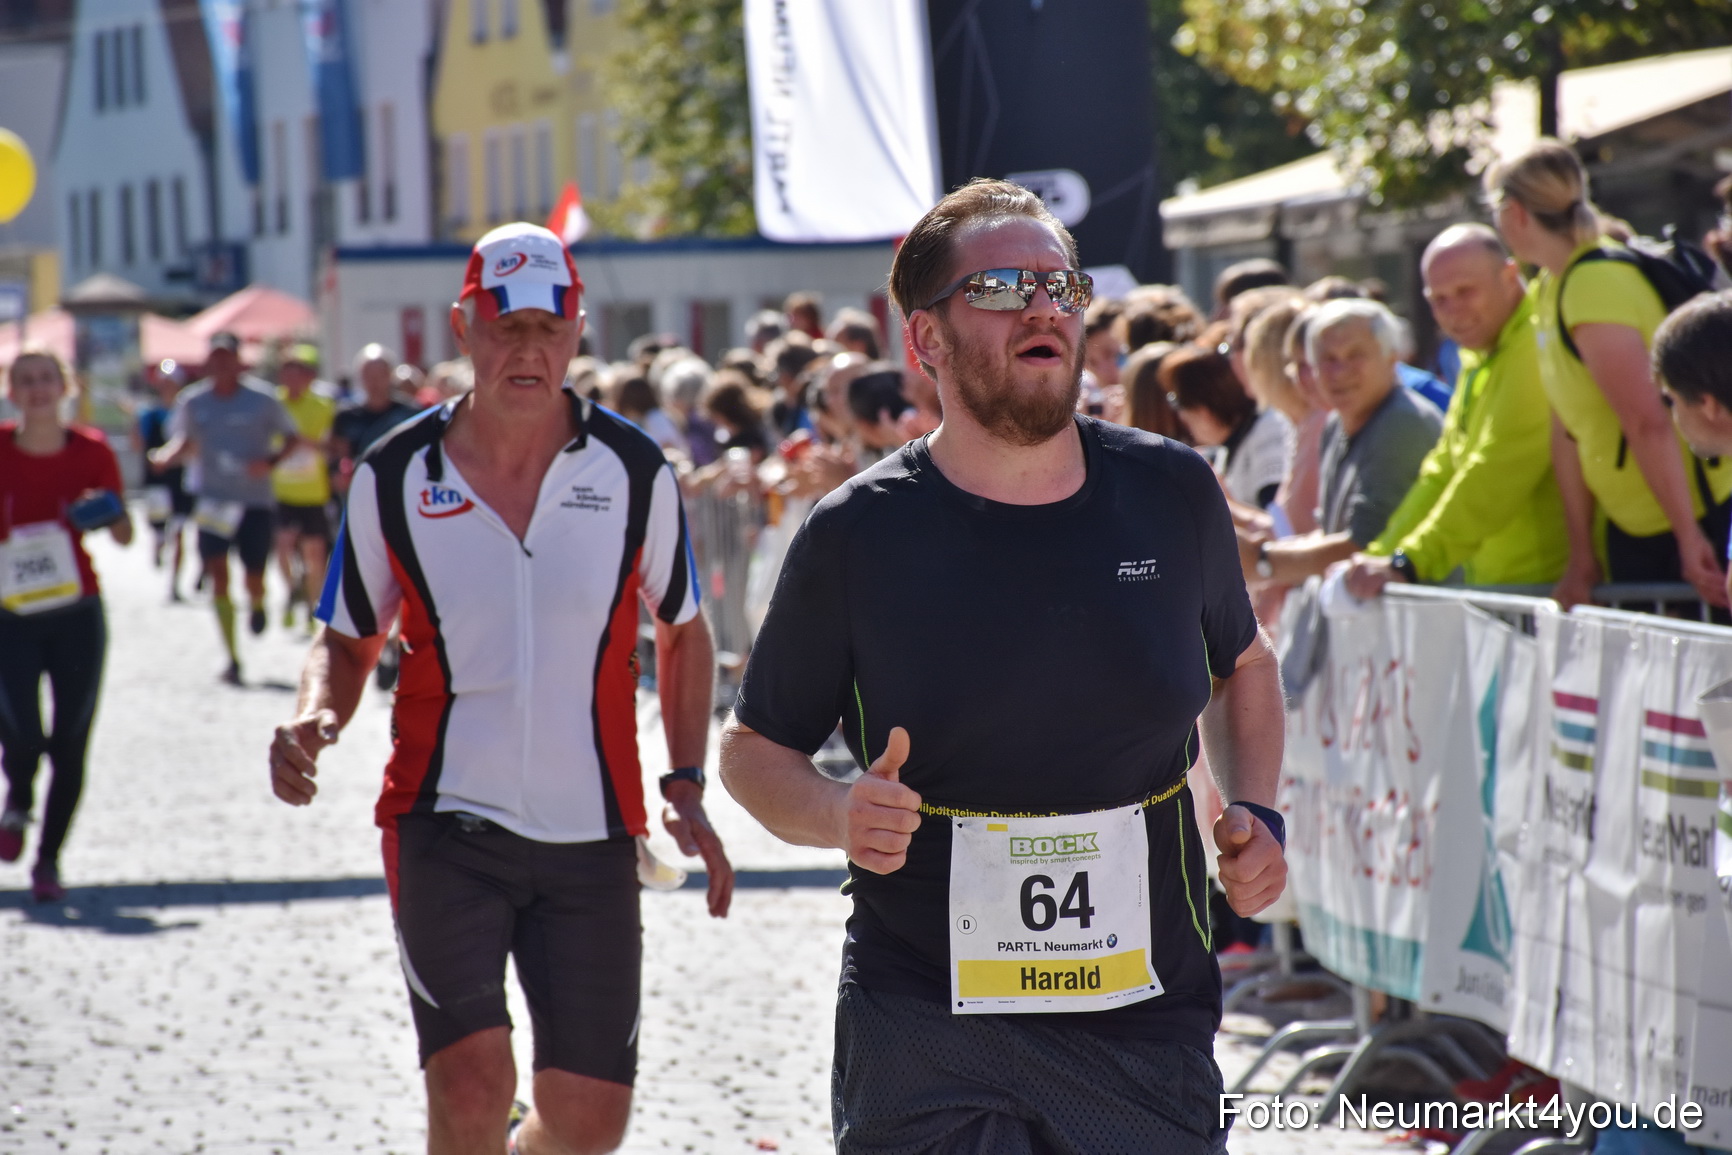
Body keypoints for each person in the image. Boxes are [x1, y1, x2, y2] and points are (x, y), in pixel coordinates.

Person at [718, 179, 1286, 1153]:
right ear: (925, 340)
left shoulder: (1168, 491)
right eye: (1003, 289)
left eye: (1061, 288)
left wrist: (1258, 812)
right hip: (926, 1016)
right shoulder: (860, 531)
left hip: (1142, 1011)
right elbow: (753, 750)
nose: (1041, 309)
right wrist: (834, 814)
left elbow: (1245, 667)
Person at [268, 222, 734, 1155]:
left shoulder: (634, 471)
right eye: (504, 323)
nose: (528, 347)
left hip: (594, 835)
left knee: (589, 1123)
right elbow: (348, 638)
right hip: (446, 825)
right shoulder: (397, 473)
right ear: (463, 325)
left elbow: (684, 630)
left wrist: (685, 783)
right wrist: (313, 713)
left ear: (578, 332)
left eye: (548, 326)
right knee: (473, 1084)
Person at [1487, 138, 1732, 609]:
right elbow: (1568, 428)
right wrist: (1582, 552)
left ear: (1515, 212)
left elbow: (1648, 421)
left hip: (1690, 523)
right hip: (1639, 527)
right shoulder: (1550, 287)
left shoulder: (1593, 283)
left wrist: (1688, 537)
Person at [1345, 225, 1569, 597]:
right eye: (1438, 299)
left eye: (1465, 292)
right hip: (1507, 592)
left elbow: (1496, 469)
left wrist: (1408, 562)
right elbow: (1443, 470)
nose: (1453, 311)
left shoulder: (1532, 343)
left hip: (1547, 595)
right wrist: (1380, 557)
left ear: (1510, 275)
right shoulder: (1478, 352)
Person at [0, 350, 133, 903]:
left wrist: (103, 511)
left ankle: (49, 859)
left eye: (46, 380)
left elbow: (124, 535)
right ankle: (19, 802)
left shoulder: (93, 451)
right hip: (10, 615)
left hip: (76, 612)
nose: (36, 390)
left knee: (72, 741)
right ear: (11, 391)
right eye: (25, 380)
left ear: (65, 388)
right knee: (22, 731)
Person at [1243, 298, 1442, 585]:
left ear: (1392, 358)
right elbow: (1329, 533)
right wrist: (1262, 553)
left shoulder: (1402, 424)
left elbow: (1363, 546)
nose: (1340, 372)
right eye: (1328, 359)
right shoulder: (1335, 423)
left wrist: (1263, 561)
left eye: (1355, 355)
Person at [149, 331, 303, 684]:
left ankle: (258, 601)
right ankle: (232, 656)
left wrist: (271, 462)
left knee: (253, 575)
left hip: (254, 501)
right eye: (214, 357)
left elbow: (292, 438)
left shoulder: (263, 400)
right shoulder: (193, 402)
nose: (220, 364)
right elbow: (183, 440)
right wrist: (165, 457)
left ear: (238, 361)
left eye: (226, 357)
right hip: (212, 500)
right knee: (217, 571)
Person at [1160, 345, 1291, 511]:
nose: (1181, 416)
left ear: (1203, 410)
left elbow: (1280, 524)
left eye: (1178, 403)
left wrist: (1224, 503)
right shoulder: (1229, 443)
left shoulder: (1267, 434)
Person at [272, 344, 338, 633]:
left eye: (299, 373)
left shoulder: (323, 406)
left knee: (314, 554)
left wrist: (303, 442)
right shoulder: (273, 405)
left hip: (313, 491)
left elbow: (332, 446)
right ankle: (291, 591)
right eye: (288, 373)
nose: (293, 379)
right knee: (284, 546)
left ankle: (313, 606)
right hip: (281, 491)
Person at [134, 358, 194, 599]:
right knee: (160, 529)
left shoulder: (188, 412)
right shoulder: (149, 413)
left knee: (180, 531)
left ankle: (175, 584)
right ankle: (158, 546)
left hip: (181, 479)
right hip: (156, 480)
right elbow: (138, 444)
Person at [331, 344, 420, 495]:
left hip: (401, 490)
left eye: (380, 375)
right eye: (368, 376)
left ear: (390, 375)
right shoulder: (346, 416)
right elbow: (338, 453)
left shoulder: (410, 412)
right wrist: (339, 474)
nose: (374, 382)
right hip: (361, 490)